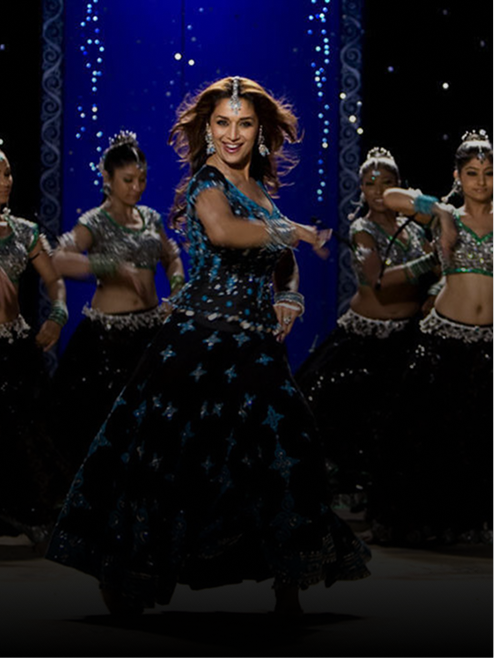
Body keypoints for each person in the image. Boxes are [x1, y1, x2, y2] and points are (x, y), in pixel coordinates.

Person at [45, 76, 370, 616]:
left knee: (287, 450)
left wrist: (291, 298)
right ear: (208, 129)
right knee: (169, 463)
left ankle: (288, 579)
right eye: (222, 123)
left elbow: (282, 264)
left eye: (244, 123)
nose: (232, 134)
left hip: (257, 346)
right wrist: (293, 231)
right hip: (200, 342)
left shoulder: (261, 192)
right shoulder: (205, 184)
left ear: (260, 130)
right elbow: (224, 233)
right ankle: (128, 573)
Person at [295, 147, 441, 531]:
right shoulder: (362, 230)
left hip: (407, 337)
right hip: (363, 340)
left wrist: (434, 287)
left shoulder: (415, 228)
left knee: (400, 422)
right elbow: (378, 280)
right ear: (360, 188)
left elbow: (443, 271)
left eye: (387, 183)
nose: (378, 191)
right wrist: (430, 261)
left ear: (400, 186)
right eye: (370, 183)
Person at [372, 130, 493, 546]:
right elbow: (390, 197)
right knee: (434, 436)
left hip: (489, 344)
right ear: (458, 176)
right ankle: (433, 523)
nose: (481, 182)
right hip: (446, 341)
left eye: (489, 173)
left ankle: (475, 521)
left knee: (479, 438)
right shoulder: (450, 217)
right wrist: (439, 211)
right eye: (472, 173)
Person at [48, 131, 186, 472]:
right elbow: (58, 259)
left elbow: (171, 257)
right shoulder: (95, 221)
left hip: (150, 332)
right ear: (107, 178)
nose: (137, 187)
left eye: (142, 179)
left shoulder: (150, 218)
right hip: (106, 340)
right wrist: (113, 267)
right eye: (128, 180)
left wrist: (177, 289)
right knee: (103, 425)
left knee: (153, 423)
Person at [0, 144, 69, 545]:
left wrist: (57, 315)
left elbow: (54, 280)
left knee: (27, 432)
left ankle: (33, 513)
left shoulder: (25, 232)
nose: (6, 181)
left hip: (14, 350)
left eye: (8, 173)